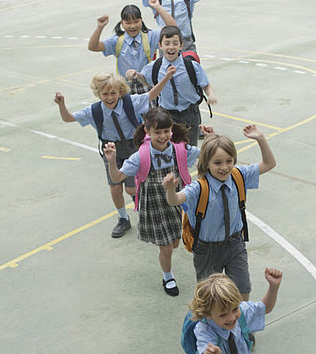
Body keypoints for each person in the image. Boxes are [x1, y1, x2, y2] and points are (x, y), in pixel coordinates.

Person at [104, 106, 212, 296]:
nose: (162, 136)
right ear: (147, 131)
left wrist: (211, 138)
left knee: (177, 242)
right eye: (157, 132)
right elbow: (118, 176)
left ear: (171, 129)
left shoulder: (180, 150)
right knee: (167, 247)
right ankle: (168, 277)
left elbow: (206, 155)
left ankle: (168, 262)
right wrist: (112, 161)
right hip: (154, 204)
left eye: (166, 131)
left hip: (178, 201)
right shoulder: (141, 156)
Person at [54, 71, 174, 238]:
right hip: (111, 151)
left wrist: (166, 78)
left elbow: (151, 94)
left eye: (113, 93)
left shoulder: (130, 103)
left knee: (132, 188)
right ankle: (123, 218)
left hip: (133, 147)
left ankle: (143, 207)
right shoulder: (94, 111)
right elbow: (68, 118)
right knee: (115, 189)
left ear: (120, 92)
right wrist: (61, 104)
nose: (109, 97)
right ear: (98, 94)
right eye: (105, 94)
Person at [163, 126, 276, 300]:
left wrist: (260, 139)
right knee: (209, 298)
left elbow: (269, 164)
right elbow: (175, 200)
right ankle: (211, 327)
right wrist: (170, 189)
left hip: (235, 243)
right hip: (207, 249)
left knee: (242, 290)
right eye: (217, 163)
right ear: (206, 163)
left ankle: (239, 326)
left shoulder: (239, 176)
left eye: (229, 161)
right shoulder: (199, 187)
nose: (224, 167)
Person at [128, 26, 217, 147]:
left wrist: (210, 94)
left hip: (190, 112)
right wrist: (137, 75)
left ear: (181, 45)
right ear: (160, 45)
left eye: (175, 43)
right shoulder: (155, 66)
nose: (171, 47)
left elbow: (205, 85)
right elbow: (146, 80)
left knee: (190, 146)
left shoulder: (191, 66)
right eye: (167, 43)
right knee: (169, 146)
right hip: (168, 114)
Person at [87, 2, 176, 94]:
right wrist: (100, 27)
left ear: (141, 21)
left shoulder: (150, 36)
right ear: (122, 23)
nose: (133, 26)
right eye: (128, 23)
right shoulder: (116, 41)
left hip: (146, 83)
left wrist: (158, 8)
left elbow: (173, 29)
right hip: (124, 86)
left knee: (150, 108)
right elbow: (93, 47)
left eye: (136, 22)